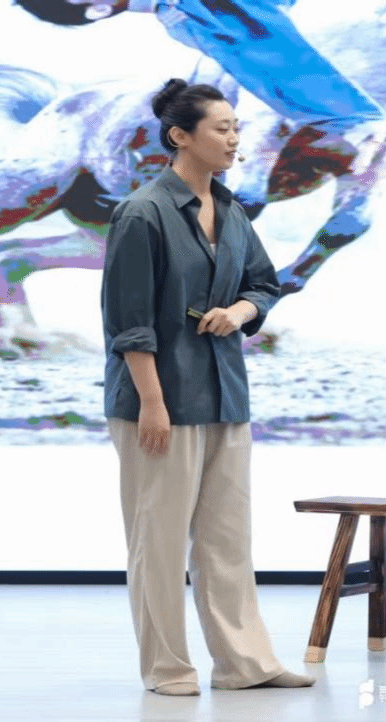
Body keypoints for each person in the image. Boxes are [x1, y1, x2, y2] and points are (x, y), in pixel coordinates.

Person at [101, 77, 313, 695]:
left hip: (224, 394)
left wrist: (240, 312)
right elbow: (128, 322)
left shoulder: (234, 210)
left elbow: (263, 284)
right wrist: (153, 403)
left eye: (236, 128)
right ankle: (167, 669)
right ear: (180, 136)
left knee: (227, 540)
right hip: (159, 402)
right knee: (159, 544)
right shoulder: (142, 213)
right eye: (222, 129)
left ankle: (246, 664)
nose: (235, 139)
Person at [15, 0, 386, 167]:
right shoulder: (192, 14)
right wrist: (350, 120)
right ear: (99, 9)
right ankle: (352, 122)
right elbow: (271, 60)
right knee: (257, 49)